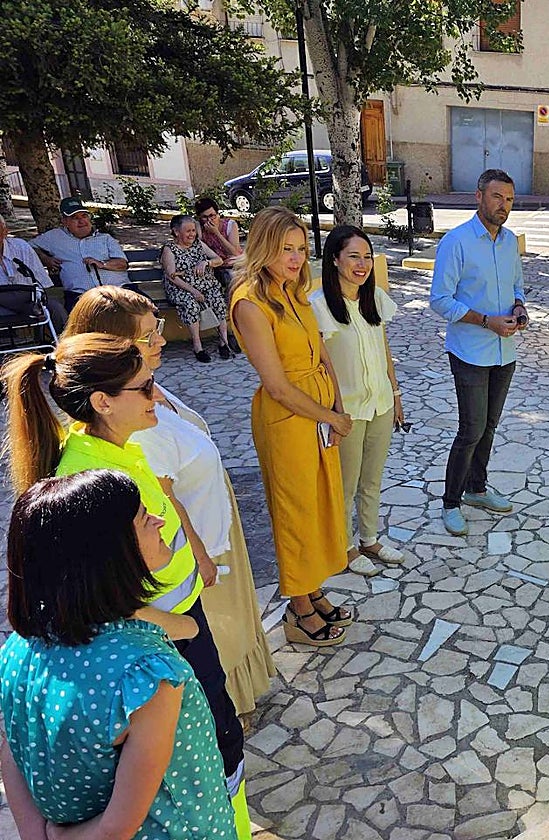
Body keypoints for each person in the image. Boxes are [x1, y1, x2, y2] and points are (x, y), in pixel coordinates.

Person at [1, 334, 251, 837]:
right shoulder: (94, 479)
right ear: (102, 401)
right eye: (146, 385)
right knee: (214, 743)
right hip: (153, 631)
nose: (159, 396)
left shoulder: (115, 454)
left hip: (165, 620)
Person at [63, 285, 276, 718]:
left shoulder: (144, 393)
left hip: (208, 529)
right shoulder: (129, 424)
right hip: (190, 554)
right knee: (212, 649)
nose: (160, 340)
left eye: (156, 328)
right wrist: (198, 552)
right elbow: (164, 495)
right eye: (147, 335)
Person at [0, 470, 237, 839]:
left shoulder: (18, 650)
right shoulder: (145, 675)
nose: (159, 520)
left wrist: (36, 832)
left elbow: (12, 747)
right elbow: (116, 827)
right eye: (145, 518)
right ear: (110, 553)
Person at [230, 206, 353, 648]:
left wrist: (338, 405)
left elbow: (321, 353)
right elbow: (277, 387)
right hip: (288, 419)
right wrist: (330, 416)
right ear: (264, 247)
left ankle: (313, 587)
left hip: (319, 412)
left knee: (320, 504)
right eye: (286, 249)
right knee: (295, 511)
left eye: (301, 249)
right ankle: (298, 608)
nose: (296, 258)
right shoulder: (250, 302)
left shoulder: (296, 291)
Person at [429, 169, 528, 536]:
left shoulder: (509, 241)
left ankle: (477, 489)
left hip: (504, 351)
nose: (504, 206)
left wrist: (519, 309)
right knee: (470, 429)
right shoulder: (456, 242)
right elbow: (440, 300)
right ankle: (451, 502)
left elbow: (517, 284)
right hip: (470, 351)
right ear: (479, 196)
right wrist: (487, 321)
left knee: (489, 426)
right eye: (498, 197)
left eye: (510, 200)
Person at [311, 225, 408, 577]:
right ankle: (345, 546)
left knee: (372, 478)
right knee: (345, 484)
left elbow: (384, 350)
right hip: (346, 413)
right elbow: (320, 366)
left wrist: (395, 394)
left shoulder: (376, 299)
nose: (362, 264)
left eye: (367, 257)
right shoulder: (318, 308)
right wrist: (333, 413)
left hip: (380, 403)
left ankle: (370, 538)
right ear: (334, 259)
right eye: (353, 256)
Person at [31, 197, 128, 310]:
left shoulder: (105, 239)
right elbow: (27, 247)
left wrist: (102, 264)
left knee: (148, 310)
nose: (81, 221)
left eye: (84, 216)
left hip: (119, 290)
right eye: (75, 218)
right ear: (65, 222)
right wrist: (45, 259)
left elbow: (123, 264)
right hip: (80, 296)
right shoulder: (54, 237)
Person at [161, 214, 235, 362]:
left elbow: (219, 260)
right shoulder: (169, 249)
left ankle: (223, 343)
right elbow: (171, 276)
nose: (192, 234)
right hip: (181, 288)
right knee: (191, 304)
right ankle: (198, 346)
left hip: (206, 285)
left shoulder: (199, 244)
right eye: (188, 231)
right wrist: (193, 291)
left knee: (218, 300)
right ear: (176, 232)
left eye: (193, 230)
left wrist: (206, 263)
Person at [0, 214, 67, 330]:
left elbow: (41, 282)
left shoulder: (21, 247)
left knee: (55, 308)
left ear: (5, 231)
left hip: (28, 299)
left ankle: (65, 344)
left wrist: (38, 304)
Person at [195, 197, 243, 293]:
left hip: (232, 265)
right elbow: (197, 247)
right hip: (213, 266)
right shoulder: (199, 226)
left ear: (218, 214)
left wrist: (217, 233)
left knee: (234, 279)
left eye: (212, 215)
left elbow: (235, 252)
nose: (209, 220)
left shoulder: (230, 225)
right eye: (204, 217)